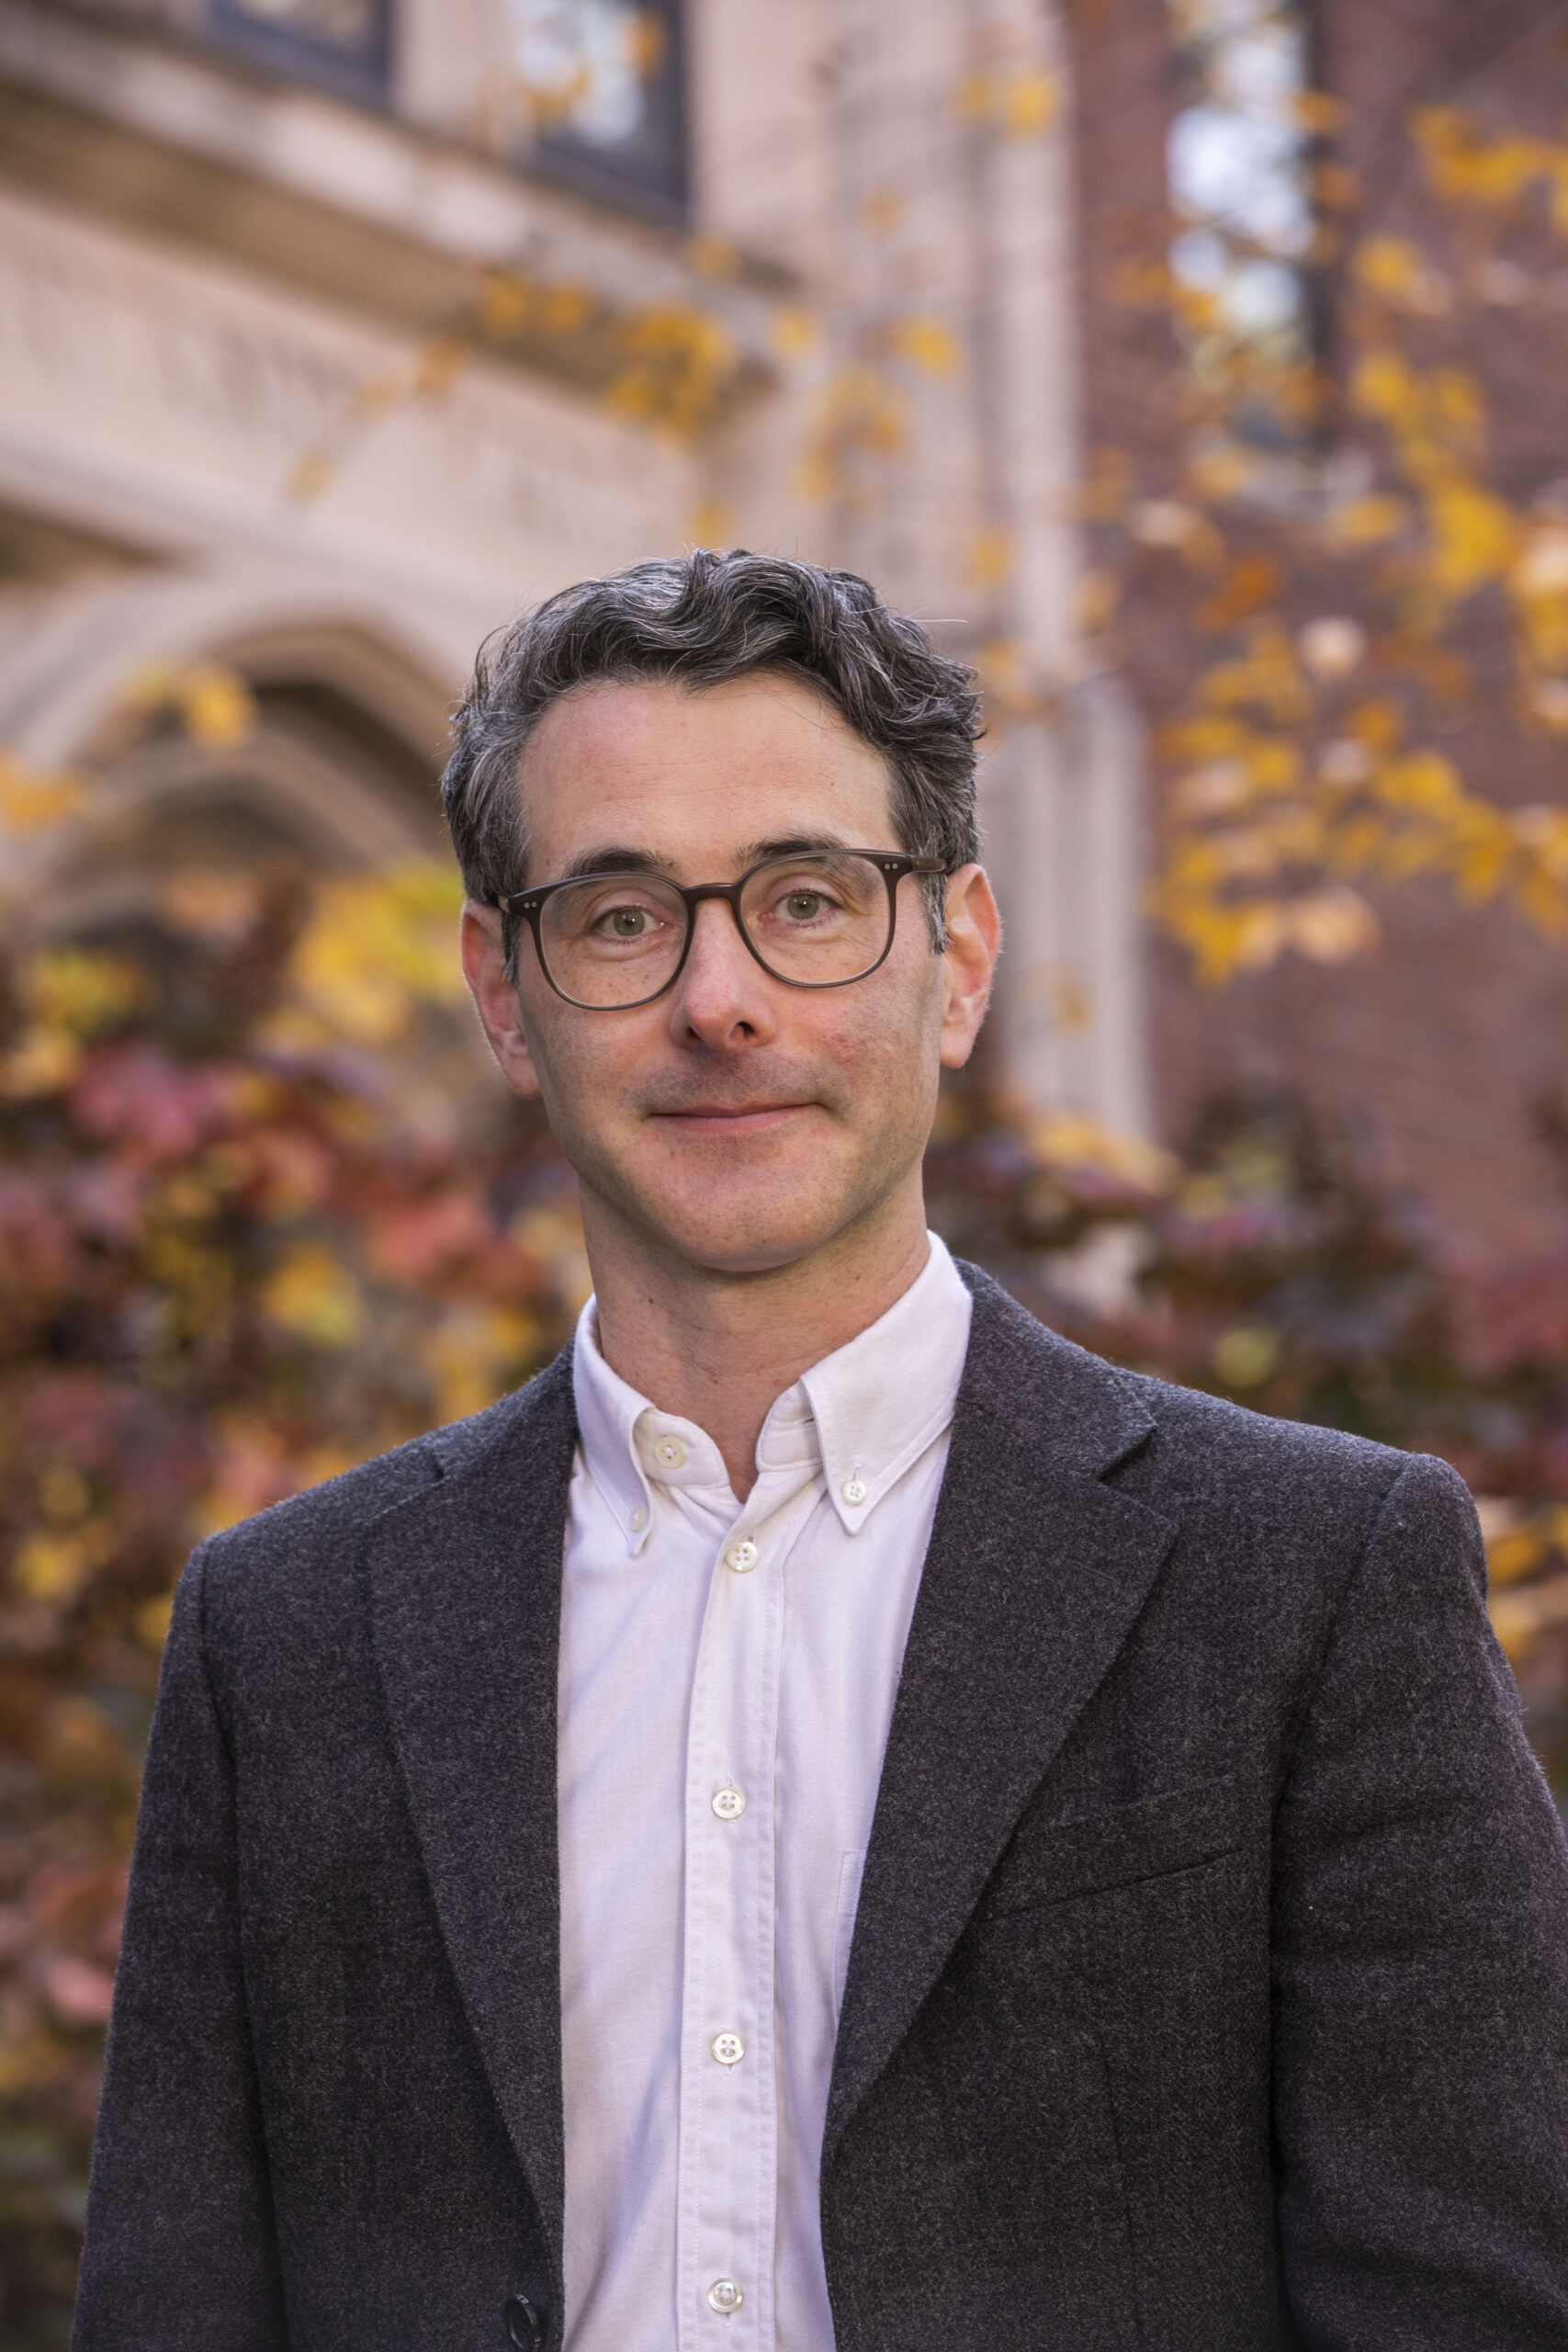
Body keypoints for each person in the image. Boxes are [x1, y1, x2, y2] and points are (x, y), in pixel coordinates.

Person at [73, 551, 1568, 2352]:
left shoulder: (1309, 1580)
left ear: (956, 961)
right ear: (500, 991)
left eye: (803, 899)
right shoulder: (286, 1631)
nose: (718, 998)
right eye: (620, 915)